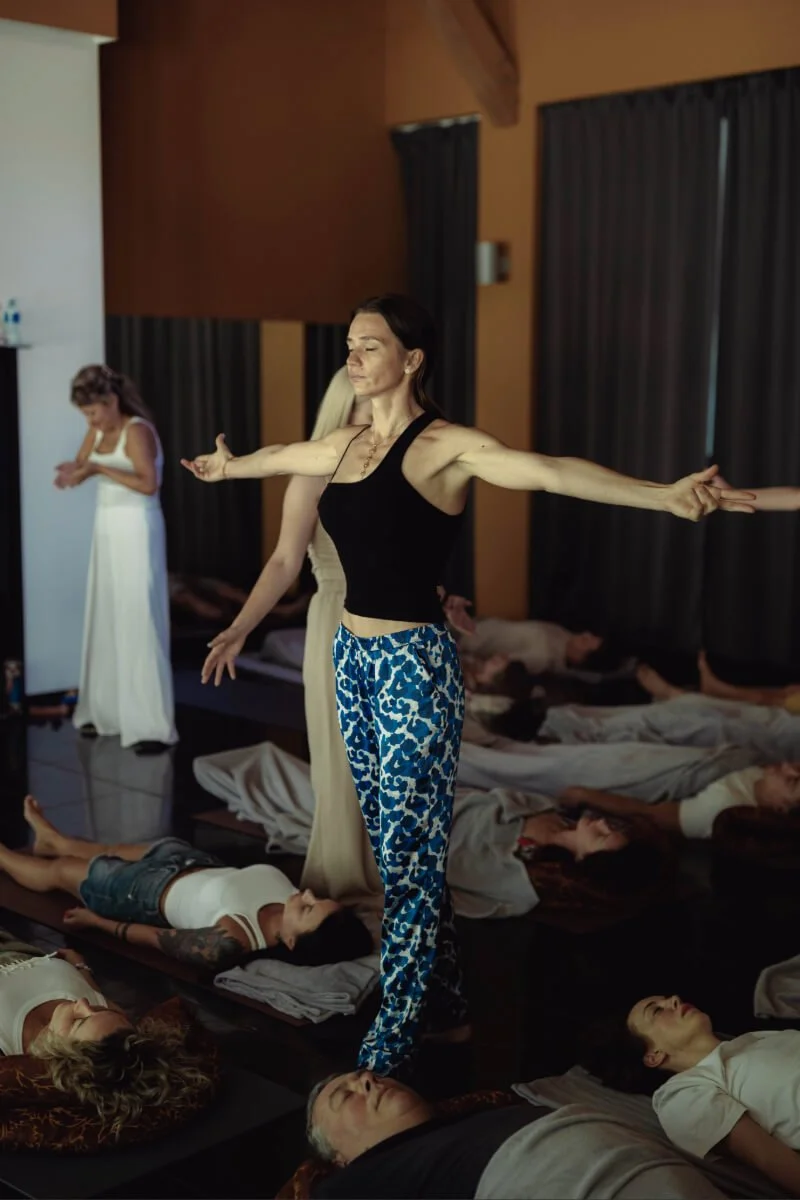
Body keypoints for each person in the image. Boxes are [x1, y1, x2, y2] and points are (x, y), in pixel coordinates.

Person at [182, 292, 753, 1078]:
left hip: (416, 668)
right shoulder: (344, 445)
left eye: (369, 346)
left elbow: (549, 473)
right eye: (349, 345)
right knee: (397, 852)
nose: (352, 357)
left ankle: (392, 1038)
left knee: (412, 865)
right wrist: (230, 468)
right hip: (352, 662)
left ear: (411, 360)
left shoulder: (445, 447)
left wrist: (660, 494)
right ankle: (448, 1011)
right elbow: (284, 456)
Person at [198, 368, 380, 903]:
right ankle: (347, 874)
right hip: (336, 618)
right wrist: (238, 628)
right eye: (364, 410)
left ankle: (394, 873)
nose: (375, 424)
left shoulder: (402, 466)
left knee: (392, 763)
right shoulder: (314, 471)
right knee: (346, 759)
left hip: (398, 622)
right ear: (342, 413)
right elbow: (283, 562)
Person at [0, 797, 372, 973]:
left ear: (291, 941)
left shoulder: (232, 939)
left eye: (308, 908)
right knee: (105, 849)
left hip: (143, 894)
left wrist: (96, 923)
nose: (306, 894)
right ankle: (52, 840)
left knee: (61, 872)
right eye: (317, 898)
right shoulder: (288, 898)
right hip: (189, 861)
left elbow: (155, 940)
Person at [304, 1068, 727, 1199]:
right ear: (338, 1157)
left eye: (366, 1077)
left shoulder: (475, 1113)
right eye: (346, 1096)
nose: (366, 1084)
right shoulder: (351, 1185)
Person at [55, 365, 176, 755]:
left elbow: (147, 483)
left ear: (110, 401)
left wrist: (97, 467)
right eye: (85, 414)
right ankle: (106, 712)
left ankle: (149, 725)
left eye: (93, 411)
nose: (89, 419)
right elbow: (82, 467)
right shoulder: (98, 431)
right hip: (106, 529)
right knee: (106, 614)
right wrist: (71, 474)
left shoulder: (136, 430)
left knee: (138, 618)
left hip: (137, 530)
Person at [0, 926, 212, 1135]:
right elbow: (91, 992)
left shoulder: (8, 1047)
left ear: (62, 1058)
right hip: (24, 950)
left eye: (79, 1023)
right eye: (98, 1008)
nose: (83, 1004)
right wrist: (80, 967)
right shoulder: (109, 1020)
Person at [589, 994, 800, 1196]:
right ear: (654, 1055)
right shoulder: (681, 1093)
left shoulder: (755, 1039)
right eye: (656, 1011)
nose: (674, 999)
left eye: (666, 999)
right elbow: (763, 1156)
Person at [561, 759, 800, 840]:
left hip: (666, 791)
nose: (789, 767)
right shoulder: (765, 773)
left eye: (793, 782)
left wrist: (585, 795)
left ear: (779, 809)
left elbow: (648, 812)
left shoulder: (725, 809)